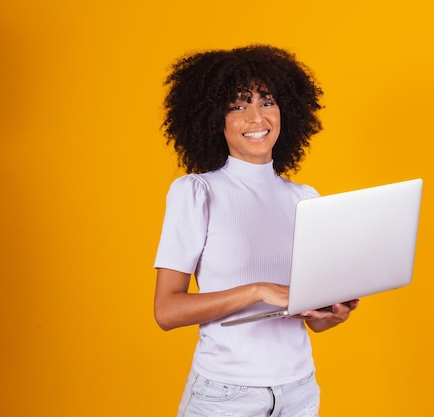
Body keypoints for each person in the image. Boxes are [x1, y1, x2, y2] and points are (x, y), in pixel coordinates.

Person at [153, 44, 360, 417]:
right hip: (226, 395)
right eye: (237, 106)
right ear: (214, 118)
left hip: (298, 391)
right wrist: (258, 290)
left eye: (267, 102)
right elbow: (167, 311)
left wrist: (332, 314)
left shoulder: (305, 198)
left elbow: (313, 324)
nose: (256, 117)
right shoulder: (197, 192)